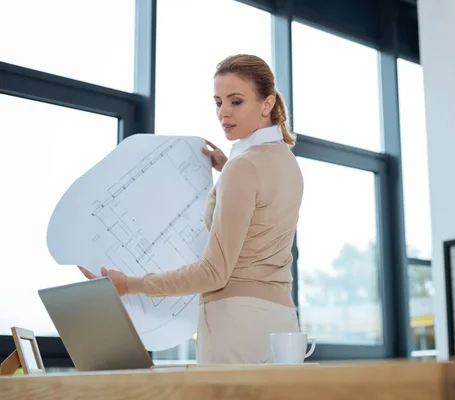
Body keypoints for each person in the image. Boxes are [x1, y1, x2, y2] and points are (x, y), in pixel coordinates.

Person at [79, 54, 303, 365]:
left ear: (267, 104)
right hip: (281, 323)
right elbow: (260, 211)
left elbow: (213, 272)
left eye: (236, 101)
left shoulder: (244, 168)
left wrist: (129, 285)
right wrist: (226, 168)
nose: (223, 112)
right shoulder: (286, 162)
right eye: (218, 102)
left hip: (236, 324)